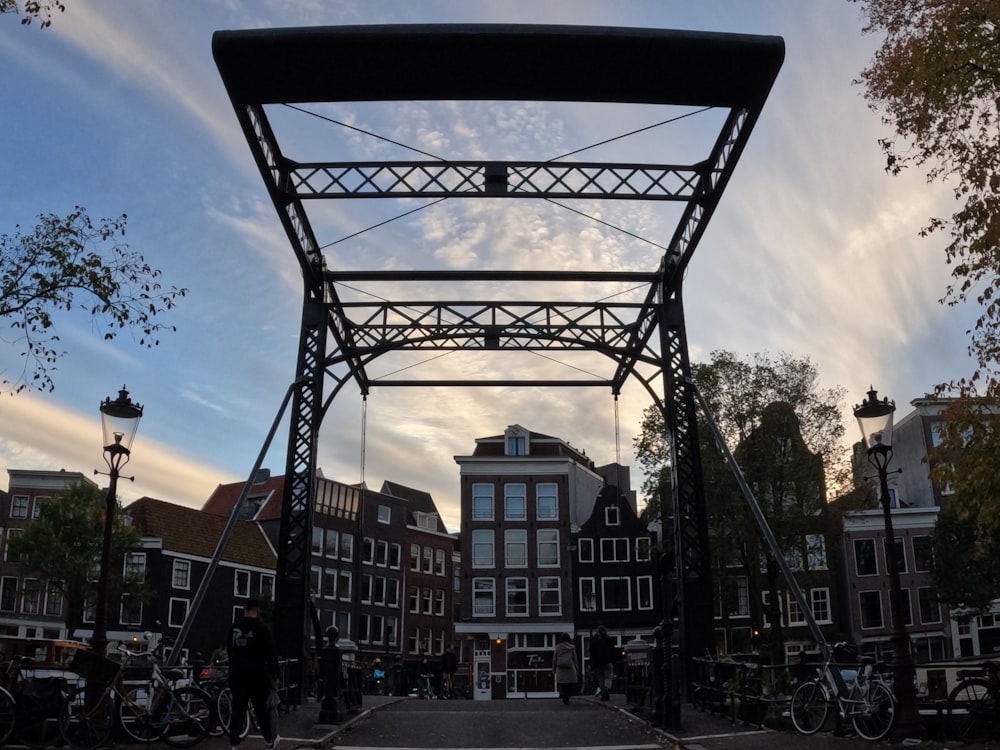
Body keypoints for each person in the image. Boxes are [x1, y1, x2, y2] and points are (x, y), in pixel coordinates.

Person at [227, 597, 281, 750]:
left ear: (245, 609)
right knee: (261, 710)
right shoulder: (262, 629)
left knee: (237, 709)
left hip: (237, 674)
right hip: (257, 675)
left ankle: (234, 744)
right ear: (257, 611)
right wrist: (275, 675)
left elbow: (230, 651)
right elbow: (270, 654)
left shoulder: (234, 627)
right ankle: (269, 741)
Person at [589, 624, 616, 700]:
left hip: (598, 663)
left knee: (601, 678)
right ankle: (607, 689)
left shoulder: (594, 640)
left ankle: (603, 692)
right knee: (608, 676)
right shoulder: (608, 639)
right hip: (608, 661)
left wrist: (592, 663)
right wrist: (613, 660)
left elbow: (591, 651)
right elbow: (613, 650)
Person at [552, 632, 579, 705]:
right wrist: (576, 668)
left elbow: (554, 659)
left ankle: (563, 695)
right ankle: (567, 698)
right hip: (570, 668)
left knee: (562, 684)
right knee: (569, 685)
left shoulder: (558, 647)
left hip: (560, 669)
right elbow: (575, 659)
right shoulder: (572, 647)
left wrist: (553, 669)